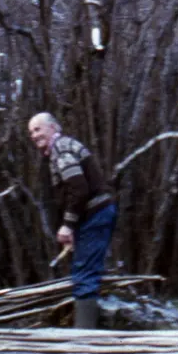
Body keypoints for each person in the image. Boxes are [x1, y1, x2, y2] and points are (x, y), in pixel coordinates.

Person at [28, 112, 117, 328]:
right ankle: (96, 339)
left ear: (53, 128)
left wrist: (68, 225)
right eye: (31, 132)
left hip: (95, 213)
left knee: (84, 275)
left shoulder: (61, 148)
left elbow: (78, 188)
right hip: (96, 214)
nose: (34, 135)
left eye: (38, 129)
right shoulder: (61, 149)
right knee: (88, 272)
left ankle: (83, 345)